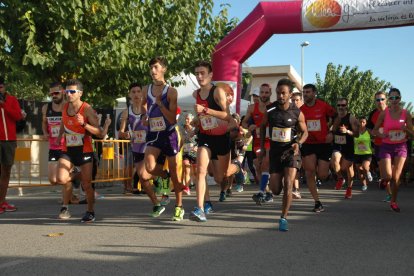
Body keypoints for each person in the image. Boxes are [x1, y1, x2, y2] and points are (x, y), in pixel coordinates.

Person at [189, 60, 241, 222]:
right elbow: (202, 118)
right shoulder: (195, 94)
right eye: (197, 73)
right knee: (201, 170)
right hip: (205, 137)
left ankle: (237, 166)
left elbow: (228, 118)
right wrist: (196, 123)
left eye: (202, 73)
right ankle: (201, 207)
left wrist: (205, 110)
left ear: (210, 75)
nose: (199, 76)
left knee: (220, 177)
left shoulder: (217, 92)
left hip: (221, 138)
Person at [260, 78, 308, 231]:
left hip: (291, 152)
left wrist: (298, 143)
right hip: (275, 153)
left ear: (289, 94)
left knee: (288, 184)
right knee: (275, 189)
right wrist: (262, 148)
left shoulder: (297, 112)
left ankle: (283, 218)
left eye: (284, 93)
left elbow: (305, 132)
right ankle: (277, 193)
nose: (280, 96)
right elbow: (262, 127)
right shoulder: (270, 109)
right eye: (278, 93)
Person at [141, 56, 185, 221]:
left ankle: (179, 206)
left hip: (169, 133)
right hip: (154, 132)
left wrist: (160, 104)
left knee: (176, 172)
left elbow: (173, 119)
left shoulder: (171, 92)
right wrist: (145, 115)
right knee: (150, 167)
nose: (153, 71)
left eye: (156, 67)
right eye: (151, 68)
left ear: (163, 69)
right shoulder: (146, 89)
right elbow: (144, 105)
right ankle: (164, 177)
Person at [55, 79, 105, 222]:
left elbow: (99, 132)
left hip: (85, 150)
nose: (68, 94)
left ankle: (90, 211)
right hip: (68, 149)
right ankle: (65, 207)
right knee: (61, 178)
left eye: (72, 91)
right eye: (67, 91)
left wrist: (84, 123)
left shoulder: (87, 109)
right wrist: (59, 137)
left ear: (80, 93)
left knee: (87, 185)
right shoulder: (65, 107)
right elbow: (63, 124)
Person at [373, 88, 414, 212]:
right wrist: (381, 135)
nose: (394, 100)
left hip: (401, 147)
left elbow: (412, 134)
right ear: (389, 100)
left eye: (396, 97)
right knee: (388, 175)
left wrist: (405, 129)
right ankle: (384, 180)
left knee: (396, 178)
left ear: (400, 99)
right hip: (386, 146)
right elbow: (375, 131)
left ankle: (393, 201)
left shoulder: (406, 114)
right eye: (391, 98)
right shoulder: (384, 113)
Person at [300, 84, 336, 212]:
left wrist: (332, 132)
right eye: (304, 92)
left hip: (323, 143)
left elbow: (336, 116)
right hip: (308, 144)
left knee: (322, 175)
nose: (305, 94)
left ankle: (327, 171)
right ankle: (317, 202)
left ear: (314, 93)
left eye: (308, 92)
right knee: (309, 172)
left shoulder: (323, 105)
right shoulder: (301, 109)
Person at [242, 83, 273, 205]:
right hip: (257, 142)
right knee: (258, 167)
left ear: (270, 93)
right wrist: (250, 126)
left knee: (265, 164)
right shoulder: (251, 108)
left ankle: (260, 192)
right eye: (262, 92)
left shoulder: (273, 107)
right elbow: (243, 123)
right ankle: (268, 193)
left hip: (270, 141)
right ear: (259, 94)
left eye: (266, 92)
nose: (264, 95)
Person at [0, 76, 24, 214]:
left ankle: (2, 201)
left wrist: (4, 105)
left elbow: (18, 116)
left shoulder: (12, 100)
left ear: (5, 87)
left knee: (6, 171)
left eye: (1, 87)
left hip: (9, 140)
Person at [331, 97, 359, 199]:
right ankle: (340, 178)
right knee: (334, 159)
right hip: (337, 144)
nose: (341, 107)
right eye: (339, 105)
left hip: (348, 146)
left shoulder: (351, 118)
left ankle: (349, 188)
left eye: (343, 105)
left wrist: (347, 131)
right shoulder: (334, 117)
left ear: (347, 106)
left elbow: (357, 134)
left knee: (346, 168)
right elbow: (330, 129)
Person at [366, 91, 390, 198]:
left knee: (392, 172)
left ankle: (390, 191)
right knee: (384, 172)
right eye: (377, 100)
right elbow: (369, 129)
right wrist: (375, 134)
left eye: (382, 99)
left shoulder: (393, 112)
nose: (380, 102)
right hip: (379, 145)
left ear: (386, 100)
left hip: (394, 145)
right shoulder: (373, 114)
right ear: (375, 101)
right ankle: (389, 193)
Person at [354, 116, 373, 192]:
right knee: (359, 170)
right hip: (357, 153)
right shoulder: (355, 131)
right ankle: (364, 184)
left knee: (365, 167)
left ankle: (368, 172)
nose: (362, 123)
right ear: (358, 122)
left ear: (366, 123)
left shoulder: (368, 131)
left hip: (367, 153)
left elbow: (375, 136)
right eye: (360, 122)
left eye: (363, 122)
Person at [291, 90, 304, 199]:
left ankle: (313, 182)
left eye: (297, 100)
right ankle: (296, 189)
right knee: (296, 166)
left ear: (301, 101)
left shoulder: (305, 112)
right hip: (295, 143)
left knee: (310, 168)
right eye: (293, 100)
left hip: (309, 142)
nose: (295, 102)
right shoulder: (289, 112)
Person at [181, 113, 197, 190]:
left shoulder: (195, 129)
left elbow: (200, 140)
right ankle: (187, 188)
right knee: (186, 168)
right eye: (186, 118)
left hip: (195, 153)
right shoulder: (183, 129)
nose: (186, 120)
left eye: (188, 119)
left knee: (195, 172)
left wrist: (196, 147)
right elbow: (181, 141)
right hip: (186, 152)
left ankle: (198, 186)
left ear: (192, 120)